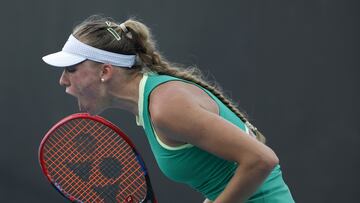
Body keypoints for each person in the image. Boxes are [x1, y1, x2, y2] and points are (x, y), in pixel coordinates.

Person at [42, 15, 295, 203]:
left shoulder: (166, 107)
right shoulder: (153, 105)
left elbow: (263, 160)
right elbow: (225, 180)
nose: (63, 80)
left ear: (105, 71)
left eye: (71, 69)